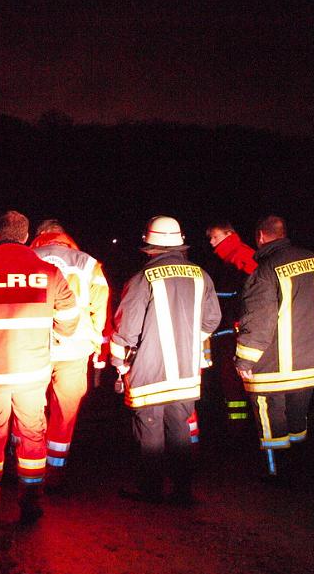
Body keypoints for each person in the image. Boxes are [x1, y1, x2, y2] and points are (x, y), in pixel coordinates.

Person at [0, 210, 79, 524]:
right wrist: (59, 335)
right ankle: (30, 504)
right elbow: (71, 318)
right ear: (25, 237)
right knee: (32, 435)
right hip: (33, 373)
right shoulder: (48, 273)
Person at [110, 216, 221, 505]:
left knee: (149, 429)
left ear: (149, 246)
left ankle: (151, 490)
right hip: (186, 372)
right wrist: (186, 340)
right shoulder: (202, 275)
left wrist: (118, 363)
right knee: (180, 427)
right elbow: (211, 320)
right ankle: (183, 491)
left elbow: (126, 330)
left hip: (149, 371)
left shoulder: (141, 278)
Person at [234, 215, 314, 484]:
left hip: (272, 370)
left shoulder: (266, 269)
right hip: (310, 364)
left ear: (260, 237)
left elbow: (258, 320)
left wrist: (244, 360)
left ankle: (277, 475)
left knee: (272, 423)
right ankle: (301, 470)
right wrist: (313, 338)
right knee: (298, 420)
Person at [29, 219, 109, 492]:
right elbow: (99, 308)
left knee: (29, 409)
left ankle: (28, 467)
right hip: (74, 347)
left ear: (39, 236)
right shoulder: (87, 262)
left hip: (32, 347)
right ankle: (55, 471)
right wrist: (98, 346)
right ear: (65, 236)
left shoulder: (27, 258)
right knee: (65, 410)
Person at [205, 220, 258, 431]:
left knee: (234, 379)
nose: (211, 241)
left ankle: (240, 428)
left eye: (215, 236)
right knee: (231, 381)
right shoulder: (226, 258)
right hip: (227, 329)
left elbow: (247, 295)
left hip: (233, 330)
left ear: (229, 234)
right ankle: (239, 424)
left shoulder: (240, 256)